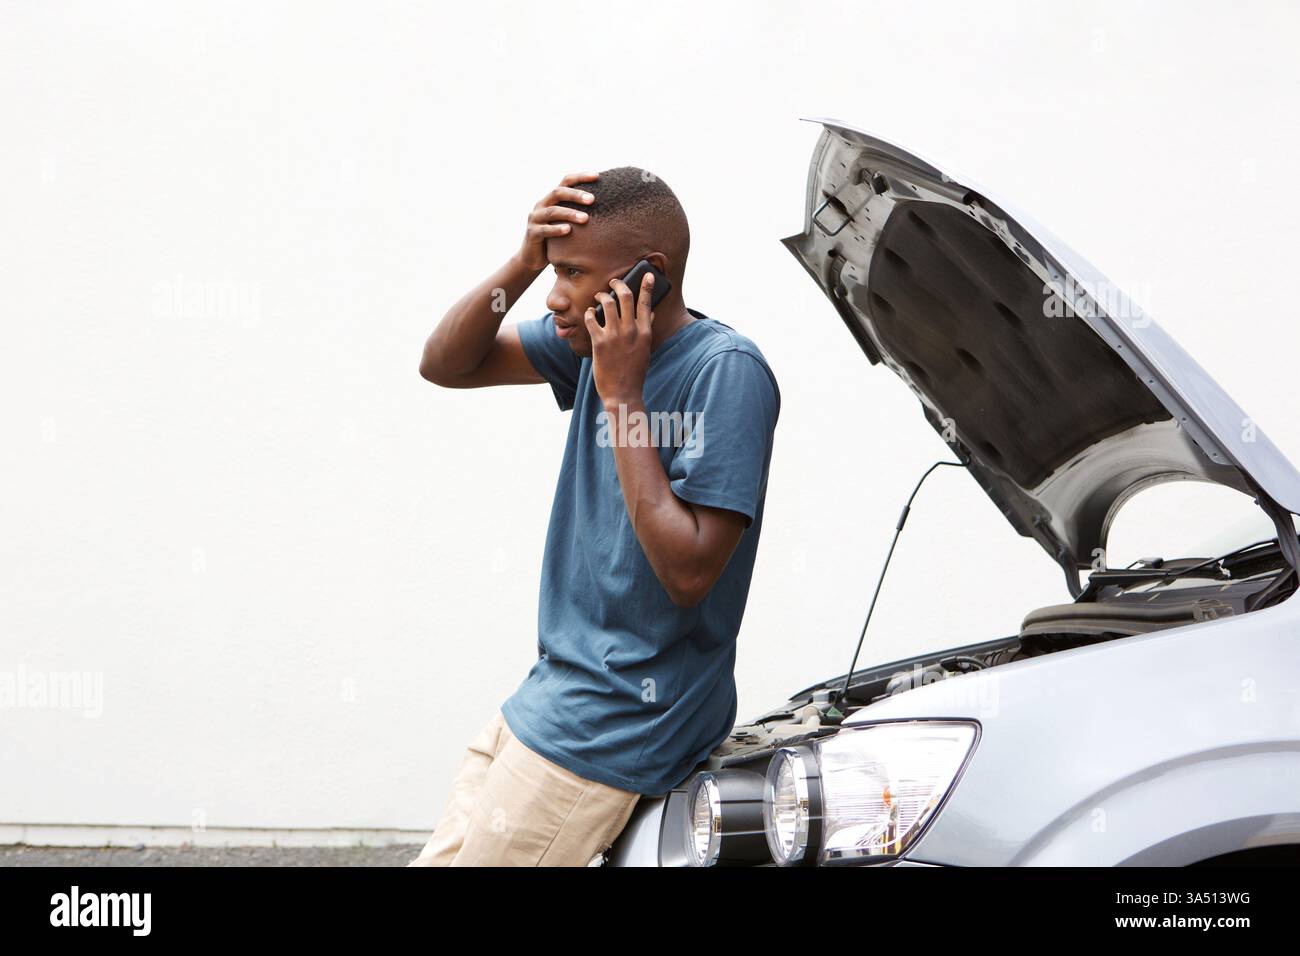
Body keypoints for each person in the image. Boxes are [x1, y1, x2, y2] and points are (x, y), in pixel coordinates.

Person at [408, 167, 780, 866]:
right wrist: (522, 260)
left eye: (573, 273)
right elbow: (445, 364)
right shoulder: (585, 346)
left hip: (618, 725)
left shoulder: (724, 373)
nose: (555, 297)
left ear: (651, 274)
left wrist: (621, 396)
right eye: (551, 270)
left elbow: (688, 571)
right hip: (547, 702)